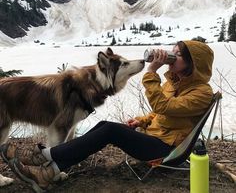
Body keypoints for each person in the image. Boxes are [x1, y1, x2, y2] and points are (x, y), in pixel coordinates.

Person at [0, 40, 214, 192]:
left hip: (167, 151)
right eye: (172, 52)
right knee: (104, 124)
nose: (169, 58)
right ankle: (48, 172)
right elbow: (162, 112)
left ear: (193, 63)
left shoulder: (201, 92)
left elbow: (165, 107)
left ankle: (43, 157)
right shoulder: (174, 83)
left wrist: (151, 72)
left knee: (110, 130)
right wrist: (142, 120)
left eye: (176, 56)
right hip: (156, 140)